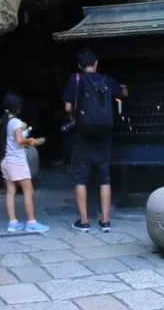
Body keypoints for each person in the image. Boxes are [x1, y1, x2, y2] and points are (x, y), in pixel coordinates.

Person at [62, 48, 127, 233]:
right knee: (104, 177)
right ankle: (105, 221)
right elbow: (123, 93)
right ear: (96, 64)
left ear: (79, 66)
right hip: (104, 136)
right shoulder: (108, 81)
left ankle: (83, 222)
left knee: (80, 178)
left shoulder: (75, 79)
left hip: (81, 135)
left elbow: (67, 107)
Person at [0, 92, 49, 233]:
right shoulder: (16, 122)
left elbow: (13, 138)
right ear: (18, 108)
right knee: (29, 191)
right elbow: (20, 141)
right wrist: (30, 141)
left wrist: (23, 129)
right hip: (17, 162)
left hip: (6, 160)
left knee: (10, 191)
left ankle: (12, 222)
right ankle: (31, 222)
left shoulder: (4, 120)